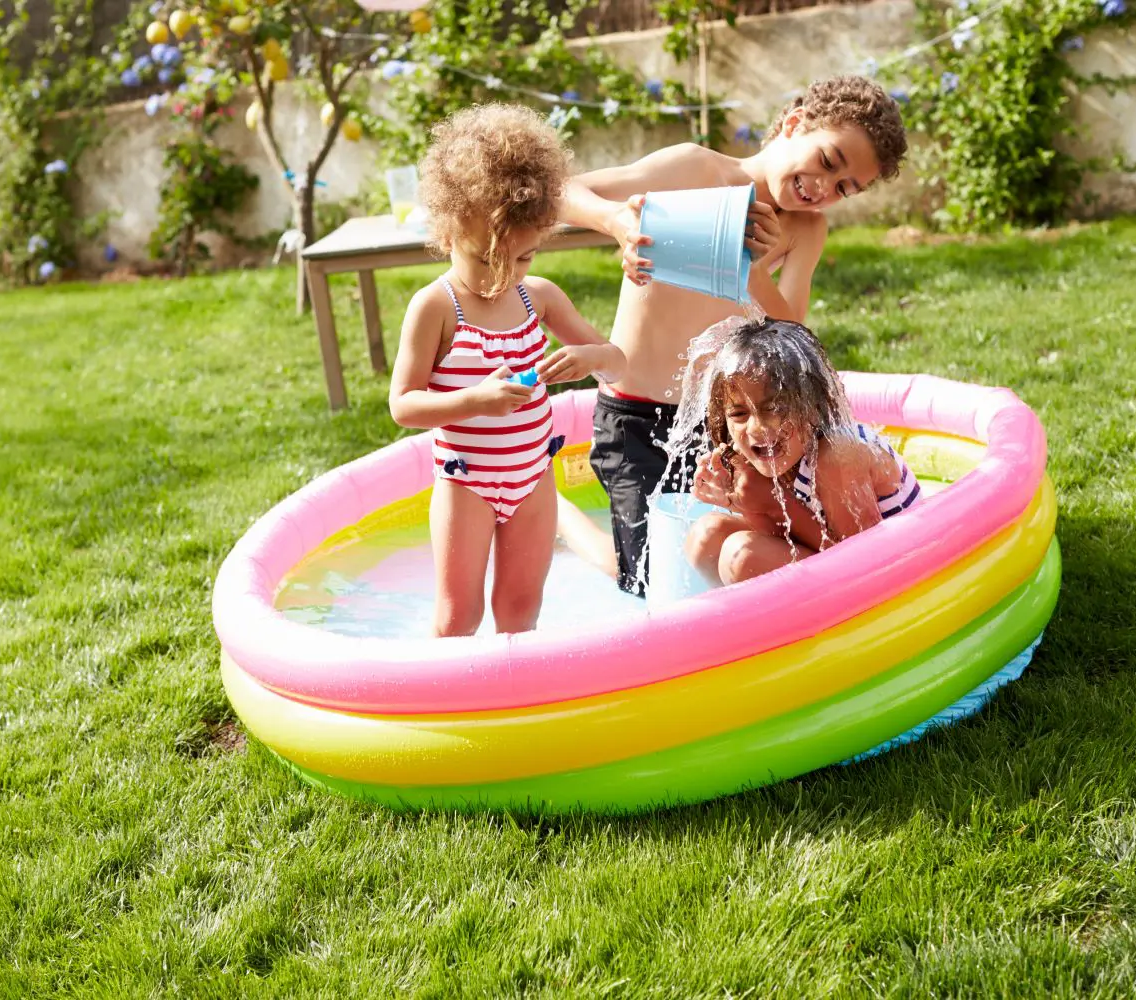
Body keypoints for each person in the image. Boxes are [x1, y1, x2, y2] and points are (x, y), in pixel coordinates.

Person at [557, 75, 908, 594]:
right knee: (651, 584)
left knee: (719, 566)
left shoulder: (804, 230)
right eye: (828, 162)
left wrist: (752, 272)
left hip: (731, 424)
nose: (823, 188)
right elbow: (560, 189)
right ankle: (559, 516)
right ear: (794, 124)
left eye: (843, 189)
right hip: (634, 418)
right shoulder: (695, 170)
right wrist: (615, 221)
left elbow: (795, 340)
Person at [389, 104, 627, 637]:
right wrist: (474, 400)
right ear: (447, 233)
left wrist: (590, 360)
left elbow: (617, 360)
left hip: (533, 478)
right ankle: (446, 709)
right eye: (484, 259)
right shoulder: (436, 308)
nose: (502, 276)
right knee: (459, 616)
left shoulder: (539, 298)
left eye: (522, 259)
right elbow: (402, 405)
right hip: (467, 482)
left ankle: (514, 708)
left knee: (521, 610)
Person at [684, 315, 922, 584]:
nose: (756, 428)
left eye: (774, 409)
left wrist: (774, 502)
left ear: (812, 406)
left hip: (901, 574)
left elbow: (863, 567)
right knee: (706, 537)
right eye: (739, 413)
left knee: (743, 557)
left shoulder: (838, 456)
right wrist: (744, 501)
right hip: (838, 563)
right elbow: (779, 538)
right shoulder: (764, 452)